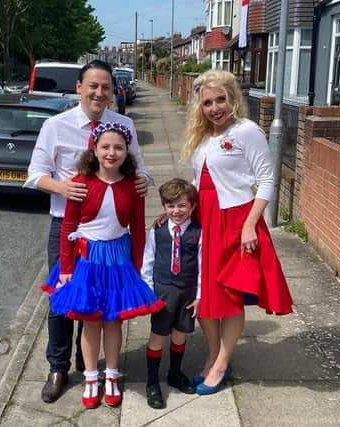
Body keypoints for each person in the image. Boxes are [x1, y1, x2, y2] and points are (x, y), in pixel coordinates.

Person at [24, 59, 152, 403]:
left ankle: (90, 365)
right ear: (79, 87)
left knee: (100, 303)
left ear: (113, 91)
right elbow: (34, 174)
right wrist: (62, 188)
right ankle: (58, 367)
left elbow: (140, 171)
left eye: (106, 87)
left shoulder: (123, 125)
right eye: (92, 86)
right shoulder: (56, 125)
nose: (99, 92)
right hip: (68, 228)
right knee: (62, 301)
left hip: (111, 237)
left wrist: (140, 183)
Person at [180, 69, 294, 395]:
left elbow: (267, 180)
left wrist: (249, 225)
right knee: (203, 294)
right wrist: (178, 216)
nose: (214, 108)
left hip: (235, 221)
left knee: (229, 296)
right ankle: (215, 355)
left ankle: (221, 361)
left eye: (220, 100)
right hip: (204, 219)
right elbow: (197, 181)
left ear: (233, 99)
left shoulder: (247, 131)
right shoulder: (203, 137)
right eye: (207, 102)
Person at [41, 122, 164, 409]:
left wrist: (137, 268)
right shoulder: (81, 183)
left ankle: (111, 374)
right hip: (87, 261)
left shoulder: (133, 186)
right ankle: (91, 377)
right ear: (94, 150)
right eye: (106, 147)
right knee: (90, 320)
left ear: (127, 152)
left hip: (119, 260)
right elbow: (69, 225)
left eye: (118, 147)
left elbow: (138, 230)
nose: (112, 152)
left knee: (113, 320)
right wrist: (67, 267)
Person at [141, 178, 201, 409]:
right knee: (157, 336)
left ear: (192, 206)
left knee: (179, 335)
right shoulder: (157, 231)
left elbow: (201, 264)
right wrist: (147, 291)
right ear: (164, 207)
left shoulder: (198, 232)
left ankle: (174, 373)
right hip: (163, 292)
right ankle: (152, 382)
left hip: (187, 293)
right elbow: (148, 260)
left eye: (182, 205)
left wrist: (199, 295)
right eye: (171, 206)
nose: (176, 211)